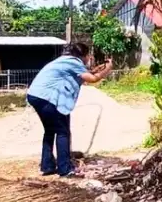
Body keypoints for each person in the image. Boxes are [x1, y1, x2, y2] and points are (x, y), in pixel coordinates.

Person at [26, 42, 113, 177]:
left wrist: (97, 69)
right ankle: (65, 169)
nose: (89, 58)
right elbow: (92, 79)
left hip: (35, 95)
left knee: (50, 131)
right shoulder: (74, 62)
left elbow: (82, 74)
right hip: (47, 98)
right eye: (88, 55)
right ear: (83, 55)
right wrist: (108, 69)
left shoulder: (65, 60)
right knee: (63, 132)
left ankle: (47, 166)